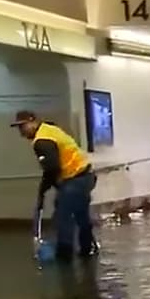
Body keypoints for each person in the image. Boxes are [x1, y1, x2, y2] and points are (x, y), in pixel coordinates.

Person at [11, 110, 97, 261]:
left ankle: (64, 256)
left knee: (62, 216)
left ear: (33, 122)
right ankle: (88, 248)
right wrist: (49, 186)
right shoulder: (49, 129)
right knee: (80, 213)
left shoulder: (42, 141)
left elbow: (52, 168)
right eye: (19, 127)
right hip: (85, 175)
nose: (21, 131)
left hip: (76, 178)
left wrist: (43, 189)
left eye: (23, 126)